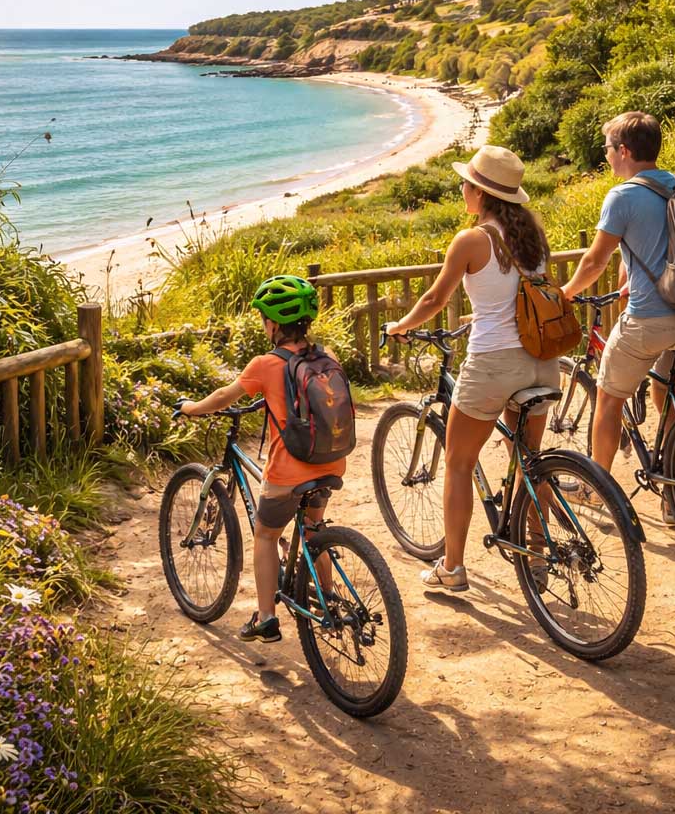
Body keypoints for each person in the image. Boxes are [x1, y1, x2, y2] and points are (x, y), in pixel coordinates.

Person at [385, 144, 559, 592]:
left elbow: (433, 299)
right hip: (542, 361)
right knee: (530, 460)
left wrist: (402, 325)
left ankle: (453, 568)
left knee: (460, 463)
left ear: (480, 194)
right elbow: (524, 294)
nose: (463, 188)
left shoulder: (472, 240)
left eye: (467, 183)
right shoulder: (534, 238)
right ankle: (537, 555)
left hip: (493, 363)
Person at [561, 111, 675, 523]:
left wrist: (565, 294)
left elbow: (595, 260)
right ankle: (673, 497)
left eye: (608, 149)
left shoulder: (622, 196)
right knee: (671, 399)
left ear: (624, 150)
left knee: (609, 399)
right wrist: (632, 273)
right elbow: (671, 243)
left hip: (649, 321)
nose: (607, 156)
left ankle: (597, 492)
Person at [178, 274, 344, 642]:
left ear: (272, 324)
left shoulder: (265, 365)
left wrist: (191, 408)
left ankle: (266, 617)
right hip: (331, 462)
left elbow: (224, 396)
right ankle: (329, 598)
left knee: (266, 535)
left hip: (289, 473)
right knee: (314, 526)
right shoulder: (327, 357)